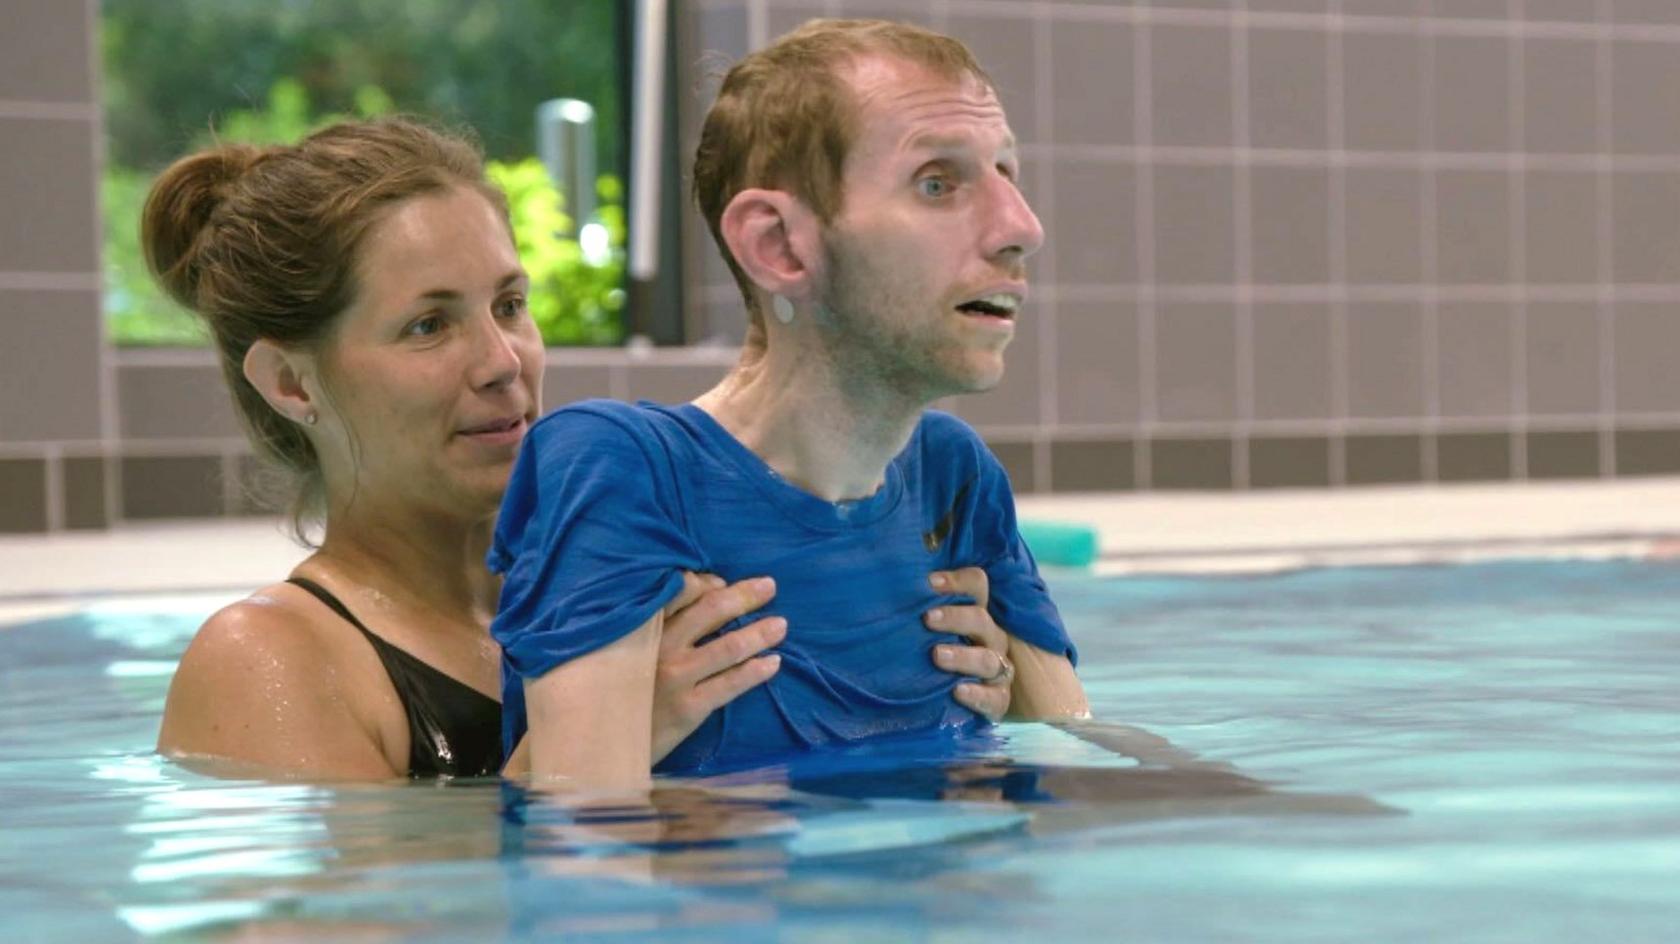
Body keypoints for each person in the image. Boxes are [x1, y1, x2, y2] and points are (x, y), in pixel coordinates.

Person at [145, 115, 1018, 780]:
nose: (501, 361)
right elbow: (379, 912)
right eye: (428, 325)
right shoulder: (271, 662)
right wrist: (590, 749)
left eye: (510, 305)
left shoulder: (664, 574)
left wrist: (960, 695)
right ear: (293, 384)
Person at [492, 19, 1090, 790]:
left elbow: (1077, 762)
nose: (1022, 229)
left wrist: (1011, 711)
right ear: (778, 245)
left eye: (1007, 172)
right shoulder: (626, 472)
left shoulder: (952, 477)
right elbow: (587, 854)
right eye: (938, 183)